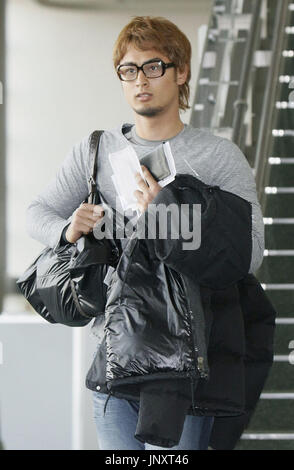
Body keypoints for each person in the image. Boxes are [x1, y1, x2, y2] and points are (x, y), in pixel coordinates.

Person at [26, 16, 266, 450]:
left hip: (186, 361)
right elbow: (35, 214)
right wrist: (67, 230)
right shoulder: (96, 150)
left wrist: (167, 216)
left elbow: (249, 254)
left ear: (182, 72)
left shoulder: (217, 157)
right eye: (129, 70)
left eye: (153, 67)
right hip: (113, 354)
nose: (140, 80)